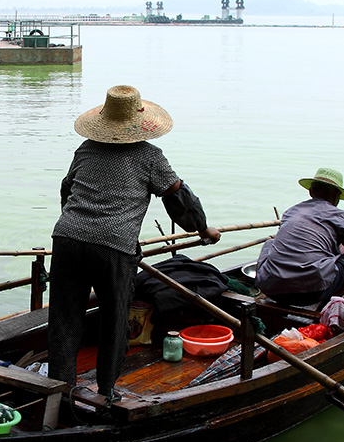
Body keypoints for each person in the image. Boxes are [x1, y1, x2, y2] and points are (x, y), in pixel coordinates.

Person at [48, 85, 221, 402]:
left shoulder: (85, 149)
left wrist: (79, 225)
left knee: (64, 318)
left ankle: (59, 391)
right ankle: (107, 392)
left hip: (67, 238)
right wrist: (203, 230)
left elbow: (66, 191)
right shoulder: (150, 156)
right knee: (115, 321)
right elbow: (178, 198)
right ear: (140, 123)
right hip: (112, 247)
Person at [255, 167, 344, 307]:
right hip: (310, 293)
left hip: (270, 288)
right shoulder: (338, 215)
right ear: (336, 197)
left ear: (311, 192)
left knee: (271, 243)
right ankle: (329, 304)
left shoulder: (292, 211)